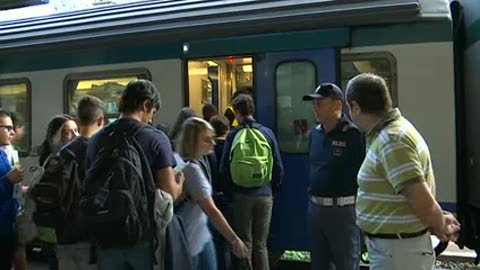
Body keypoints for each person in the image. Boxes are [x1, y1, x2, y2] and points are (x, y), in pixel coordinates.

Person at [345, 73, 460, 270]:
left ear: (356, 107)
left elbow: (419, 197)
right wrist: (440, 217)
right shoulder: (391, 134)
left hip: (398, 253)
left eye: (350, 108)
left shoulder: (392, 140)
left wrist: (441, 226)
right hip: (395, 250)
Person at [86, 79, 184, 270]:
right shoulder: (156, 138)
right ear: (146, 105)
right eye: (152, 113)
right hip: (141, 234)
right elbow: (169, 193)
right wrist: (181, 184)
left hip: (104, 233)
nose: (151, 119)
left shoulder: (96, 139)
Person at [302, 83, 365, 270]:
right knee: (318, 264)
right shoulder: (314, 134)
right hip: (315, 210)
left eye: (320, 102)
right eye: (314, 103)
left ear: (337, 105)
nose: (315, 107)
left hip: (343, 211)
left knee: (346, 263)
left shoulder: (352, 134)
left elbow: (362, 173)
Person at [219, 94, 284, 270]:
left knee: (244, 243)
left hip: (241, 196)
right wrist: (271, 189)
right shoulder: (267, 133)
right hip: (265, 195)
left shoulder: (233, 135)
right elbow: (278, 166)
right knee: (261, 244)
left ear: (237, 112)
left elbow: (224, 168)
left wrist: (230, 193)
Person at [175, 117, 248, 270]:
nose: (213, 143)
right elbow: (212, 211)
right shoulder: (193, 170)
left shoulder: (182, 162)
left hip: (197, 236)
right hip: (192, 240)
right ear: (194, 141)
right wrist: (234, 239)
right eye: (207, 139)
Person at [54, 96, 104, 270]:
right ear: (100, 120)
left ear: (77, 120)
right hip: (89, 235)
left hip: (64, 232)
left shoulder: (63, 152)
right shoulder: (99, 152)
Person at [37, 114, 79, 270]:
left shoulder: (55, 158)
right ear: (56, 136)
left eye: (76, 130)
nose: (76, 135)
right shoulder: (57, 160)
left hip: (55, 226)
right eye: (69, 132)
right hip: (58, 226)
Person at [0, 109, 24, 270]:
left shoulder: (9, 153)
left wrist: (23, 189)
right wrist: (8, 180)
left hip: (9, 223)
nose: (13, 132)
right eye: (7, 128)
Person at [208, 115, 232, 270]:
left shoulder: (210, 150)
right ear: (227, 129)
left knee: (217, 239)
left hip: (214, 197)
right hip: (231, 196)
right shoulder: (231, 146)